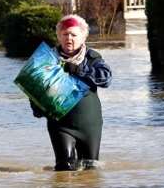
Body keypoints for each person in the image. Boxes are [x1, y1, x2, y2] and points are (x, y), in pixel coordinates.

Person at [30, 14, 112, 171]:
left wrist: (78, 70)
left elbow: (106, 79)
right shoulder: (46, 60)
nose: (69, 38)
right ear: (59, 37)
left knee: (90, 170)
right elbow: (33, 90)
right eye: (65, 34)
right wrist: (38, 107)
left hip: (90, 125)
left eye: (74, 34)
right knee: (64, 168)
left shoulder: (92, 58)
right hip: (60, 124)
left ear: (83, 37)